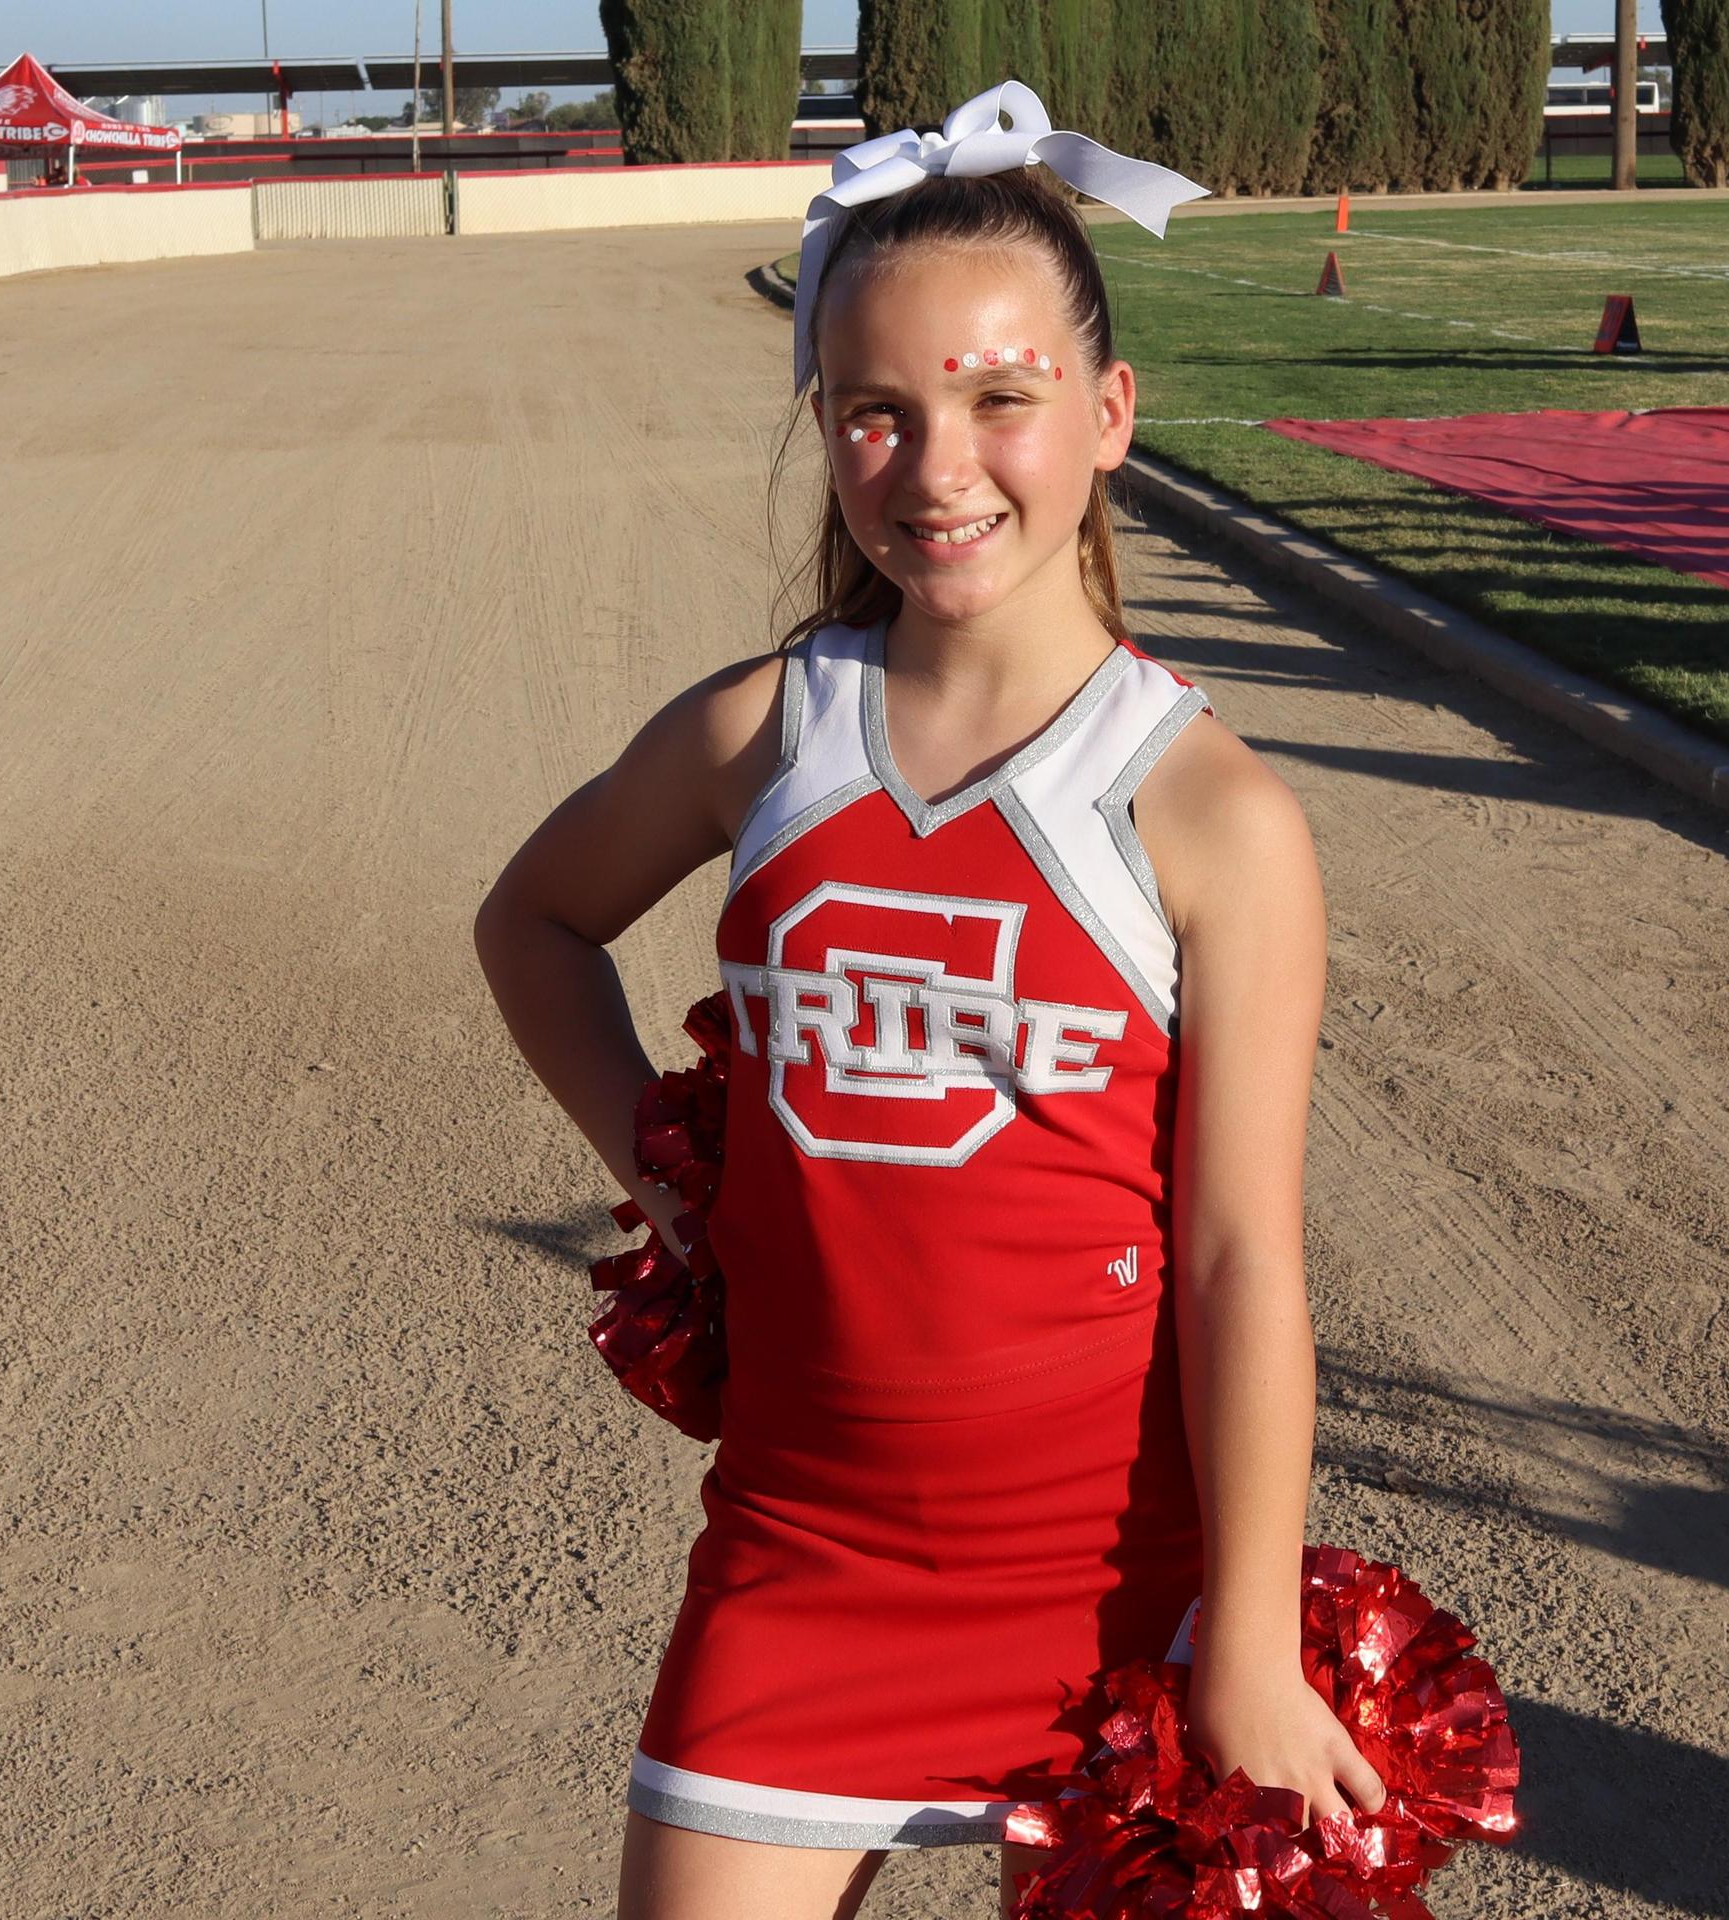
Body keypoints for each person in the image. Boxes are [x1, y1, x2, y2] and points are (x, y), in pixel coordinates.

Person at [474, 78, 1386, 1920]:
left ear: (1110, 412)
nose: (939, 464)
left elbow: (1237, 1260)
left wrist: (1256, 1634)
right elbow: (535, 922)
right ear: (828, 429)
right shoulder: (760, 735)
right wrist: (671, 1176)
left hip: (1122, 1584)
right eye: (877, 415)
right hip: (800, 1573)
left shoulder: (1211, 812)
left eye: (999, 398)